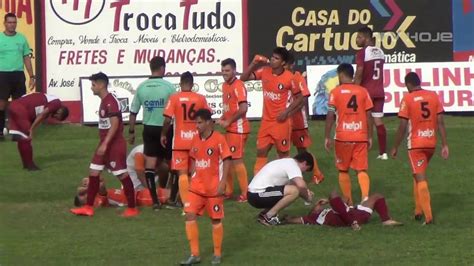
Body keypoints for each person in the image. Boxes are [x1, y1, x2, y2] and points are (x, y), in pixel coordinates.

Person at [70, 72, 138, 217]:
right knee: (94, 172)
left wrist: (106, 144)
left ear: (101, 85)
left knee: (122, 175)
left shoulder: (110, 101)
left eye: (93, 85)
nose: (91, 88)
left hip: (114, 145)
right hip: (105, 143)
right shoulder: (104, 100)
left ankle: (132, 208)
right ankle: (88, 207)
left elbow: (115, 124)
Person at [390, 72, 449, 225]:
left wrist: (395, 146)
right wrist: (444, 144)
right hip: (431, 143)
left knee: (420, 177)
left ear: (408, 84)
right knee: (417, 174)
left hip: (416, 144)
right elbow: (440, 122)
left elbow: (402, 126)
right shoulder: (433, 95)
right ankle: (418, 211)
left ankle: (428, 217)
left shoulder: (407, 98)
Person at [180, 109, 232, 265]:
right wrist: (192, 175)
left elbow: (227, 160)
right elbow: (194, 159)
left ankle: (217, 254)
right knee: (189, 215)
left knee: (215, 220)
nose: (197, 126)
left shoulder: (219, 139)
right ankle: (194, 254)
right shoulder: (195, 139)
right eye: (196, 122)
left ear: (209, 122)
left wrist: (223, 182)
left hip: (213, 189)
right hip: (196, 187)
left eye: (199, 122)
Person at [240, 47, 303, 175]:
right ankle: (257, 185)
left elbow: (301, 97)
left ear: (283, 63)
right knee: (261, 152)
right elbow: (243, 78)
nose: (273, 60)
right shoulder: (264, 71)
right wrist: (253, 63)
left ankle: (285, 181)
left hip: (281, 123)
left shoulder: (289, 77)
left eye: (276, 58)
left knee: (283, 155)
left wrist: (287, 112)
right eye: (273, 57)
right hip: (266, 122)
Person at [128, 56, 175, 210]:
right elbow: (176, 109)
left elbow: (133, 111)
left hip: (148, 129)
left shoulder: (142, 87)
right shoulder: (169, 87)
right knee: (171, 163)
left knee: (150, 164)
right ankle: (171, 196)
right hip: (165, 129)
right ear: (162, 68)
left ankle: (155, 201)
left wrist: (132, 131)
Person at [325, 63, 373, 205]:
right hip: (360, 136)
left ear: (340, 74)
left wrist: (327, 136)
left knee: (343, 170)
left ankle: (349, 202)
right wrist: (370, 136)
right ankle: (365, 197)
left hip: (342, 137)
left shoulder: (335, 92)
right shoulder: (363, 91)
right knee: (361, 169)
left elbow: (330, 115)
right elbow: (369, 115)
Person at [161, 72, 209, 208]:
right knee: (193, 172)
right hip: (196, 141)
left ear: (180, 83)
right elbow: (208, 118)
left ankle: (186, 203)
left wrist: (163, 134)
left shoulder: (174, 98)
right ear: (192, 84)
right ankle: (196, 200)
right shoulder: (200, 98)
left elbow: (167, 119)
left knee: (181, 173)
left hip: (179, 142)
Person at [284, 53, 324, 184]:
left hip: (298, 121)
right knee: (284, 149)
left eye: (285, 65)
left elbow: (304, 98)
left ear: (291, 65)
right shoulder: (282, 78)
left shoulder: (297, 77)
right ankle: (288, 176)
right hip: (286, 120)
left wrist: (290, 112)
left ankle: (317, 173)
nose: (283, 67)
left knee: (302, 149)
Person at [247, 152, 315, 226]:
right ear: (304, 163)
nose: (303, 172)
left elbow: (296, 186)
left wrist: (305, 193)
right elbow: (301, 185)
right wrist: (308, 197)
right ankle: (268, 217)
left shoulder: (286, 162)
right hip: (257, 194)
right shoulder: (293, 166)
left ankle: (264, 214)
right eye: (306, 169)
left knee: (290, 190)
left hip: (254, 194)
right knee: (294, 191)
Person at [216, 58, 250, 202]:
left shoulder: (238, 85)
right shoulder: (224, 86)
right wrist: (222, 118)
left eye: (228, 70)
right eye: (223, 70)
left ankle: (245, 194)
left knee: (236, 160)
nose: (225, 73)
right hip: (231, 129)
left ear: (234, 71)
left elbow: (243, 108)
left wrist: (228, 121)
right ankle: (228, 191)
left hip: (239, 129)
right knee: (226, 159)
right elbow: (228, 107)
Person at [8, 92, 69, 170]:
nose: (54, 117)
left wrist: (60, 123)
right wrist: (31, 129)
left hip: (15, 106)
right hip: (21, 109)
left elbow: (45, 119)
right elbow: (42, 115)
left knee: (22, 138)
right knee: (27, 138)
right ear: (60, 111)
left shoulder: (48, 101)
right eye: (57, 116)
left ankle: (26, 164)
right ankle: (30, 165)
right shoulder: (57, 103)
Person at [281, 191, 402, 229]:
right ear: (313, 212)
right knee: (333, 193)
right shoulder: (314, 218)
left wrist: (328, 202)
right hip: (348, 219)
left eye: (318, 205)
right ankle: (352, 224)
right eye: (316, 206)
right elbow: (295, 219)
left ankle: (386, 220)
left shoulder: (333, 208)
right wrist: (287, 219)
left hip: (355, 212)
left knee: (377, 196)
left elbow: (346, 199)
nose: (318, 206)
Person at [0, 13, 35, 139]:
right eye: (9, 22)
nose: (12, 25)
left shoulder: (22, 39)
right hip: (2, 74)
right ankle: (0, 130)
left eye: (14, 22)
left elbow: (26, 58)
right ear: (4, 23)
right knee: (2, 103)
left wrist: (32, 76)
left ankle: (17, 132)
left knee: (18, 104)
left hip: (18, 75)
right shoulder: (0, 38)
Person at [354, 26, 387, 160]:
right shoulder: (380, 51)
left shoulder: (362, 53)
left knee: (362, 119)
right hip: (379, 91)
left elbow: (360, 72)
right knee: (378, 120)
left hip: (366, 91)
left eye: (359, 37)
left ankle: (365, 144)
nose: (357, 40)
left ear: (366, 38)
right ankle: (383, 153)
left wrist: (354, 89)